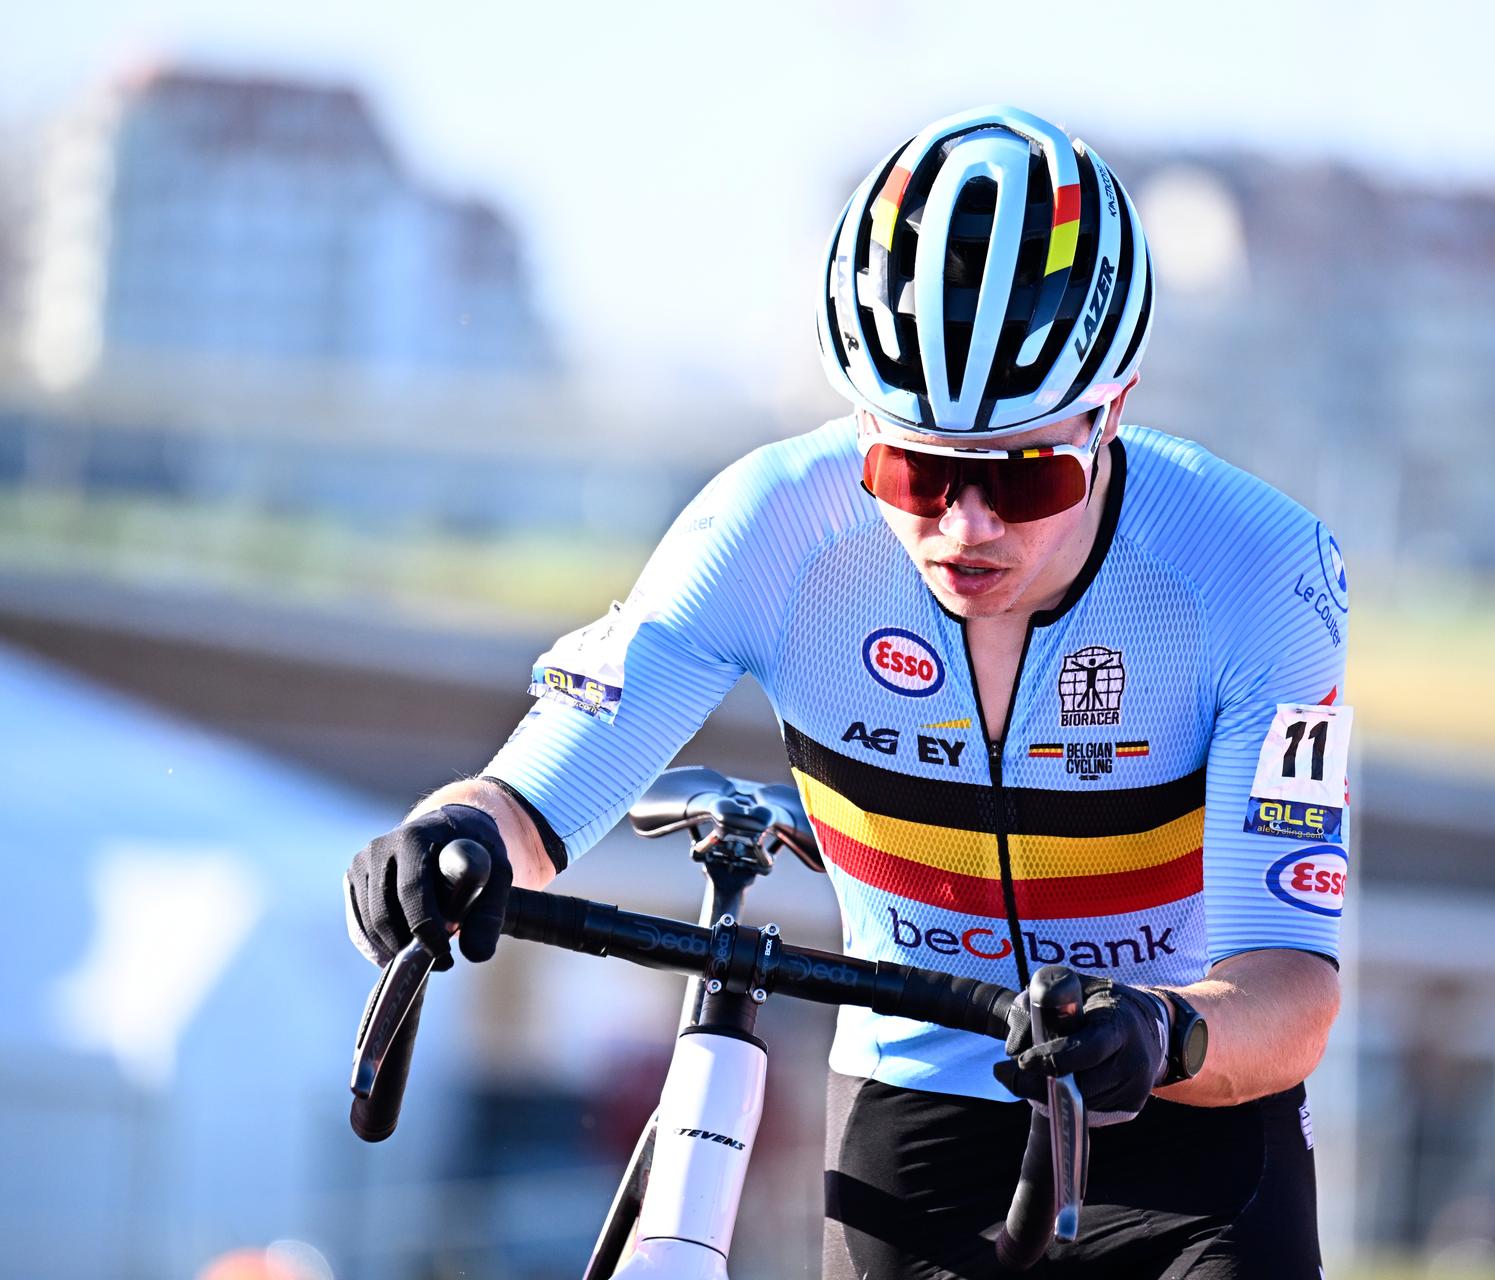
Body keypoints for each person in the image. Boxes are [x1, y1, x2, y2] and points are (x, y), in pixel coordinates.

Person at [345, 105, 1353, 1278]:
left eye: (1025, 478)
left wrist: (1166, 1026)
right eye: (914, 469)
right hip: (916, 1106)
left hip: (1180, 1114)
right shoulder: (776, 525)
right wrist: (455, 830)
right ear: (858, 424)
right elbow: (548, 780)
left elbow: (1291, 989)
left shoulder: (1253, 571)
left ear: (1112, 411)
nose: (962, 526)